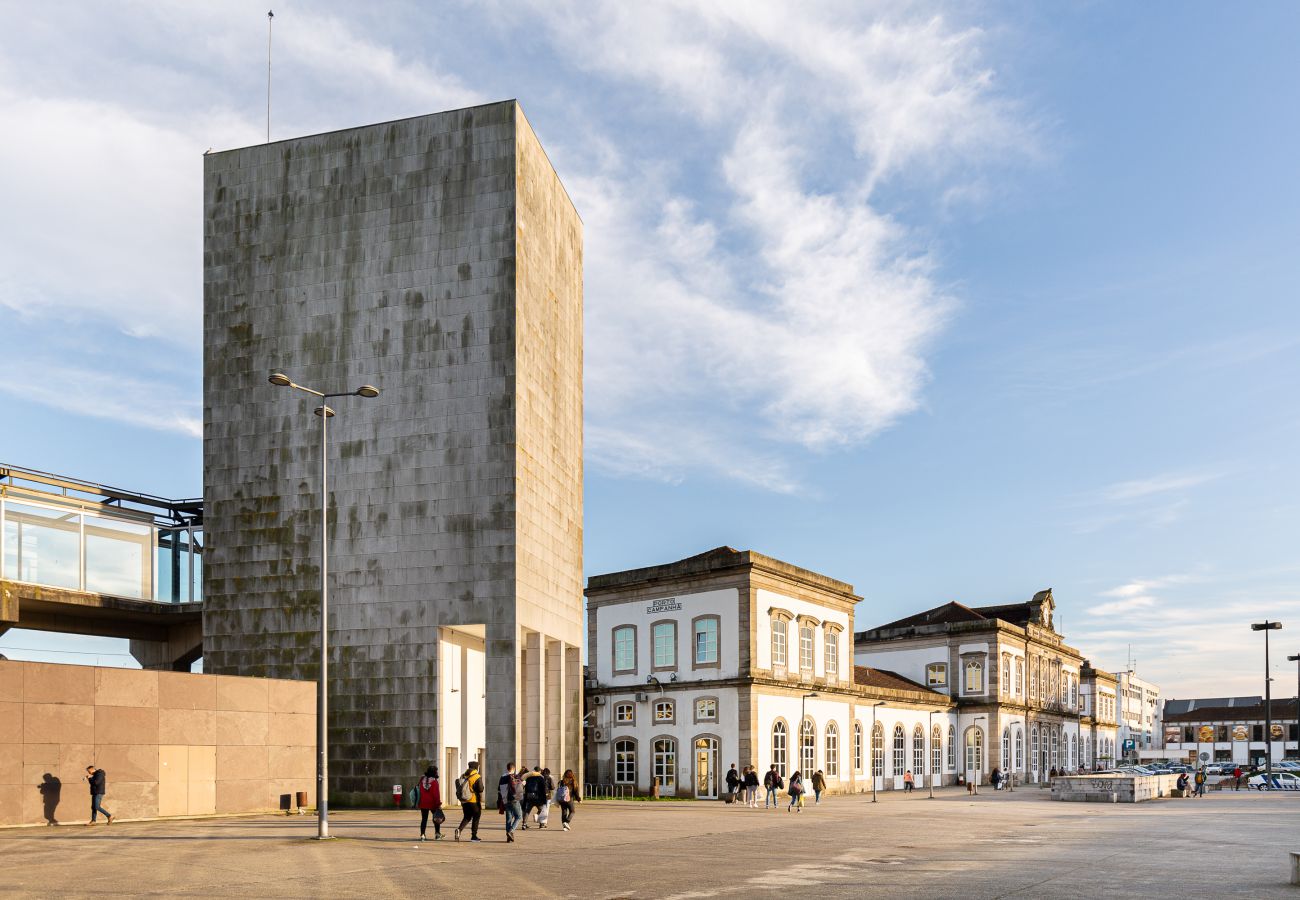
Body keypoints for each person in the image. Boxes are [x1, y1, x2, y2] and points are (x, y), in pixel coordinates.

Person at [455, 761, 484, 842]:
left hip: (464, 801)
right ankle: (474, 836)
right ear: (476, 767)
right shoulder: (476, 776)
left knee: (467, 817)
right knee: (476, 817)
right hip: (474, 800)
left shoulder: (463, 775)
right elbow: (480, 789)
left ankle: (459, 830)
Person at [416, 765, 444, 841]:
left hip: (423, 803)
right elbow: (436, 795)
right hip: (432, 804)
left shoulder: (422, 780)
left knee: (424, 819)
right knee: (437, 818)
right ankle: (437, 834)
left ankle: (422, 835)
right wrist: (438, 804)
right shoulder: (434, 782)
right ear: (434, 772)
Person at [499, 763, 523, 843]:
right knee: (519, 816)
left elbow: (499, 789)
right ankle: (511, 831)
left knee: (508, 819)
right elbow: (519, 786)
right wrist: (523, 783)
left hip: (505, 800)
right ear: (514, 768)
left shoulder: (502, 777)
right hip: (514, 799)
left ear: (507, 768)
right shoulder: (515, 776)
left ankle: (508, 838)